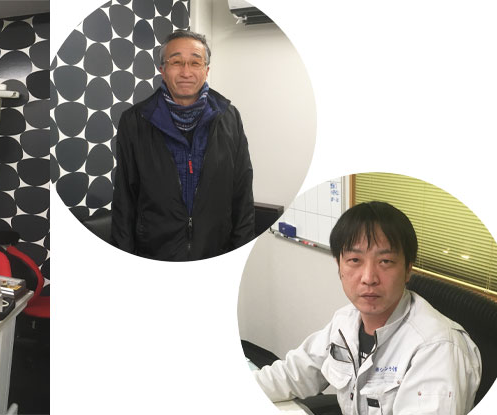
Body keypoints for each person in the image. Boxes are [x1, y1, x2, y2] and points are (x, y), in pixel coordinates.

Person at [253, 201, 482, 414]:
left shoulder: (437, 349)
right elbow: (292, 375)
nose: (369, 278)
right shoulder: (345, 321)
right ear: (339, 266)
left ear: (408, 269)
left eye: (385, 261)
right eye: (355, 260)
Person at [111, 30, 254, 261]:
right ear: (162, 69)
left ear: (206, 70)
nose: (186, 72)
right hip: (154, 255)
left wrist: (241, 254)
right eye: (176, 62)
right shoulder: (134, 121)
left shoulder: (229, 117)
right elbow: (125, 199)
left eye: (195, 63)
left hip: (216, 252)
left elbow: (242, 192)